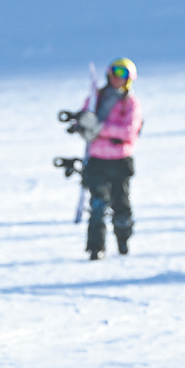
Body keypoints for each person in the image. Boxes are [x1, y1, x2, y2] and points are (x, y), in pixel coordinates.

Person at [69, 58, 143, 260]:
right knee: (98, 204)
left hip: (120, 161)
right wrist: (83, 127)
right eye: (114, 72)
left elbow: (129, 131)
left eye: (122, 74)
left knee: (121, 204)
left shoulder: (130, 104)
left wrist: (100, 128)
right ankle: (95, 247)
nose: (117, 77)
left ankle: (123, 239)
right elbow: (85, 118)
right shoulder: (96, 98)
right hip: (97, 160)